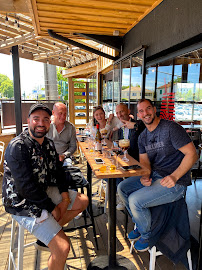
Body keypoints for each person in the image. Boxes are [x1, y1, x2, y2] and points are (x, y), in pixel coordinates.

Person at [2, 103, 89, 270]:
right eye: (36, 119)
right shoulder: (18, 146)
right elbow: (26, 188)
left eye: (45, 119)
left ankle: (47, 236)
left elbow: (58, 172)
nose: (41, 123)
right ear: (28, 121)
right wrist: (52, 208)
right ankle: (52, 237)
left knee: (82, 201)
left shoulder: (48, 144)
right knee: (63, 247)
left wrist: (64, 199)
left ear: (50, 122)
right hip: (21, 202)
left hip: (42, 191)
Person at [117, 99, 198, 251]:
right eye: (141, 111)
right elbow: (145, 162)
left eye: (148, 109)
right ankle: (141, 225)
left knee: (135, 200)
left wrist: (175, 176)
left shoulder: (170, 128)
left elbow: (193, 154)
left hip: (176, 182)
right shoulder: (142, 137)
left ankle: (147, 235)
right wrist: (145, 176)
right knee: (122, 187)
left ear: (154, 110)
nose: (145, 113)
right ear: (138, 115)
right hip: (155, 176)